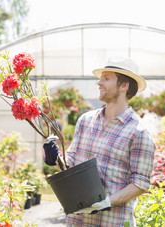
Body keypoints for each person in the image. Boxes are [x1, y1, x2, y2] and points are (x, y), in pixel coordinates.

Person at [43, 57, 156, 226]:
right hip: (77, 221)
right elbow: (72, 163)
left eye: (106, 78)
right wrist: (55, 157)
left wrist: (108, 202)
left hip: (112, 222)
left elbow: (140, 183)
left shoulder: (139, 133)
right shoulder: (86, 121)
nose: (99, 83)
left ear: (124, 86)